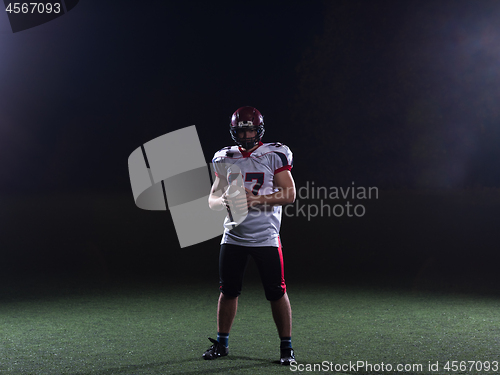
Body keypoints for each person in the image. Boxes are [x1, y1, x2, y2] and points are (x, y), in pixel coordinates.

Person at [203, 106, 296, 365]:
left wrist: (256, 200)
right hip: (233, 235)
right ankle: (222, 344)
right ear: (234, 131)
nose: (246, 135)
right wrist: (224, 200)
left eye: (250, 129)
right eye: (242, 130)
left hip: (266, 235)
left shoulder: (274, 154)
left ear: (259, 129)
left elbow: (289, 194)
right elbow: (211, 200)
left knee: (277, 291)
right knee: (228, 291)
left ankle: (286, 349)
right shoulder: (224, 157)